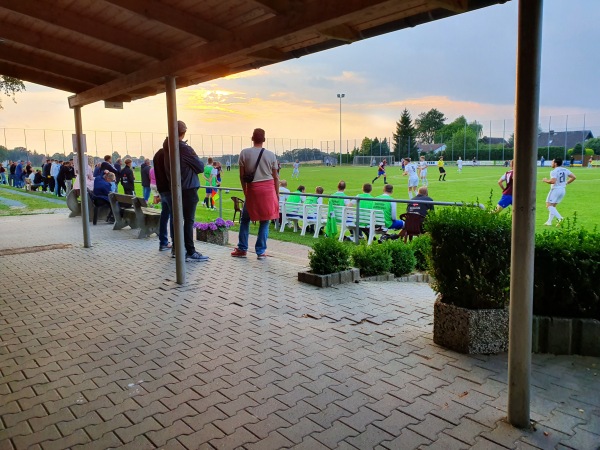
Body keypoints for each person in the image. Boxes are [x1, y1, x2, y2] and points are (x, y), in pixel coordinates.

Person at [163, 120, 208, 262]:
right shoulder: (184, 148)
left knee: (177, 219)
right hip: (188, 188)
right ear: (183, 133)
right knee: (188, 220)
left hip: (175, 188)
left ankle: (177, 249)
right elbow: (200, 167)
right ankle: (190, 251)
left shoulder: (167, 145)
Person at [231, 128, 279, 260]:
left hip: (253, 190)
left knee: (245, 219)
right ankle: (261, 251)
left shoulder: (244, 153)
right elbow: (276, 177)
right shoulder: (271, 155)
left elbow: (242, 176)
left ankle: (242, 248)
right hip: (268, 190)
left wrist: (246, 191)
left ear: (252, 138)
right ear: (264, 140)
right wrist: (277, 194)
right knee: (265, 221)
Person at [543, 158, 576, 226]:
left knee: (548, 205)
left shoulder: (554, 171)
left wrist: (545, 180)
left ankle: (560, 218)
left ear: (555, 163)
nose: (551, 163)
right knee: (553, 206)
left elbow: (553, 181)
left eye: (552, 162)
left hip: (555, 190)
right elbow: (573, 177)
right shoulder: (565, 169)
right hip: (562, 190)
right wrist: (566, 183)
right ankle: (549, 222)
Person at [153, 146, 173, 251]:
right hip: (169, 189)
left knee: (165, 215)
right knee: (173, 217)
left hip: (162, 189)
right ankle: (176, 245)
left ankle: (163, 242)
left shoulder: (157, 154)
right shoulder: (168, 154)